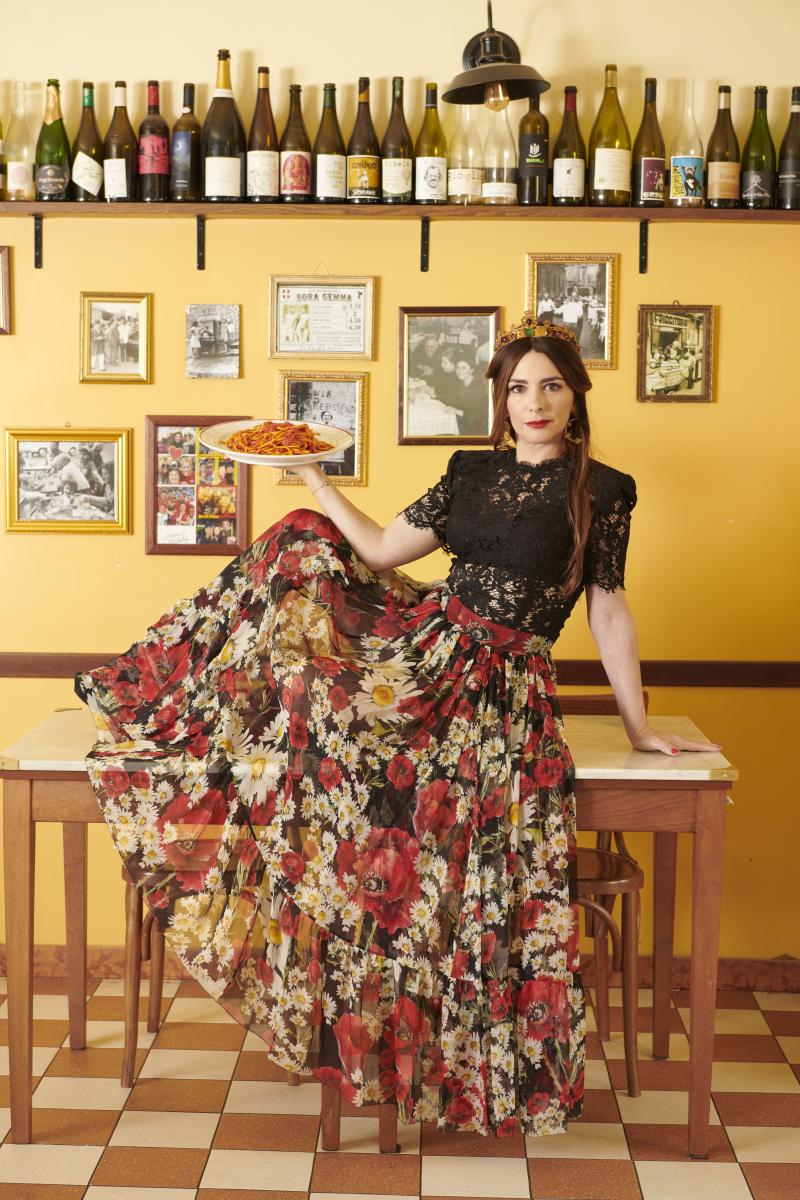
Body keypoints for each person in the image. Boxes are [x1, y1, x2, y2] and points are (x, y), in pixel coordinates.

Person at [75, 315, 719, 1141]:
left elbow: (607, 607)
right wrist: (313, 479)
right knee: (307, 561)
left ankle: (430, 1046)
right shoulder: (467, 474)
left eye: (551, 385)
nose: (534, 401)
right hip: (423, 648)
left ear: (575, 395)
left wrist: (638, 725)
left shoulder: (605, 491)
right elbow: (378, 552)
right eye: (518, 386)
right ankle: (161, 705)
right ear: (500, 398)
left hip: (502, 687)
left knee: (437, 837)